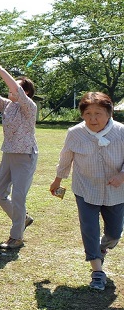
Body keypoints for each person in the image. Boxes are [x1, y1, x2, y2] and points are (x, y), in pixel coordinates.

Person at [50, 92, 124, 291]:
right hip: (85, 189)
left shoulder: (121, 131)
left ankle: (102, 247)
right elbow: (66, 158)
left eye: (98, 113)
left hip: (115, 191)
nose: (93, 119)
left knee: (115, 232)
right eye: (88, 113)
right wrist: (57, 180)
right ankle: (97, 272)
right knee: (89, 228)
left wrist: (122, 176)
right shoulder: (75, 133)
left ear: (109, 113)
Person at [0, 51, 38, 250]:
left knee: (19, 196)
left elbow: (15, 89)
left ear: (25, 92)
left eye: (17, 86)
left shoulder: (29, 107)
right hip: (8, 153)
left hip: (25, 155)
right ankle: (23, 219)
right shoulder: (7, 106)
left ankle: (16, 236)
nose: (11, 89)